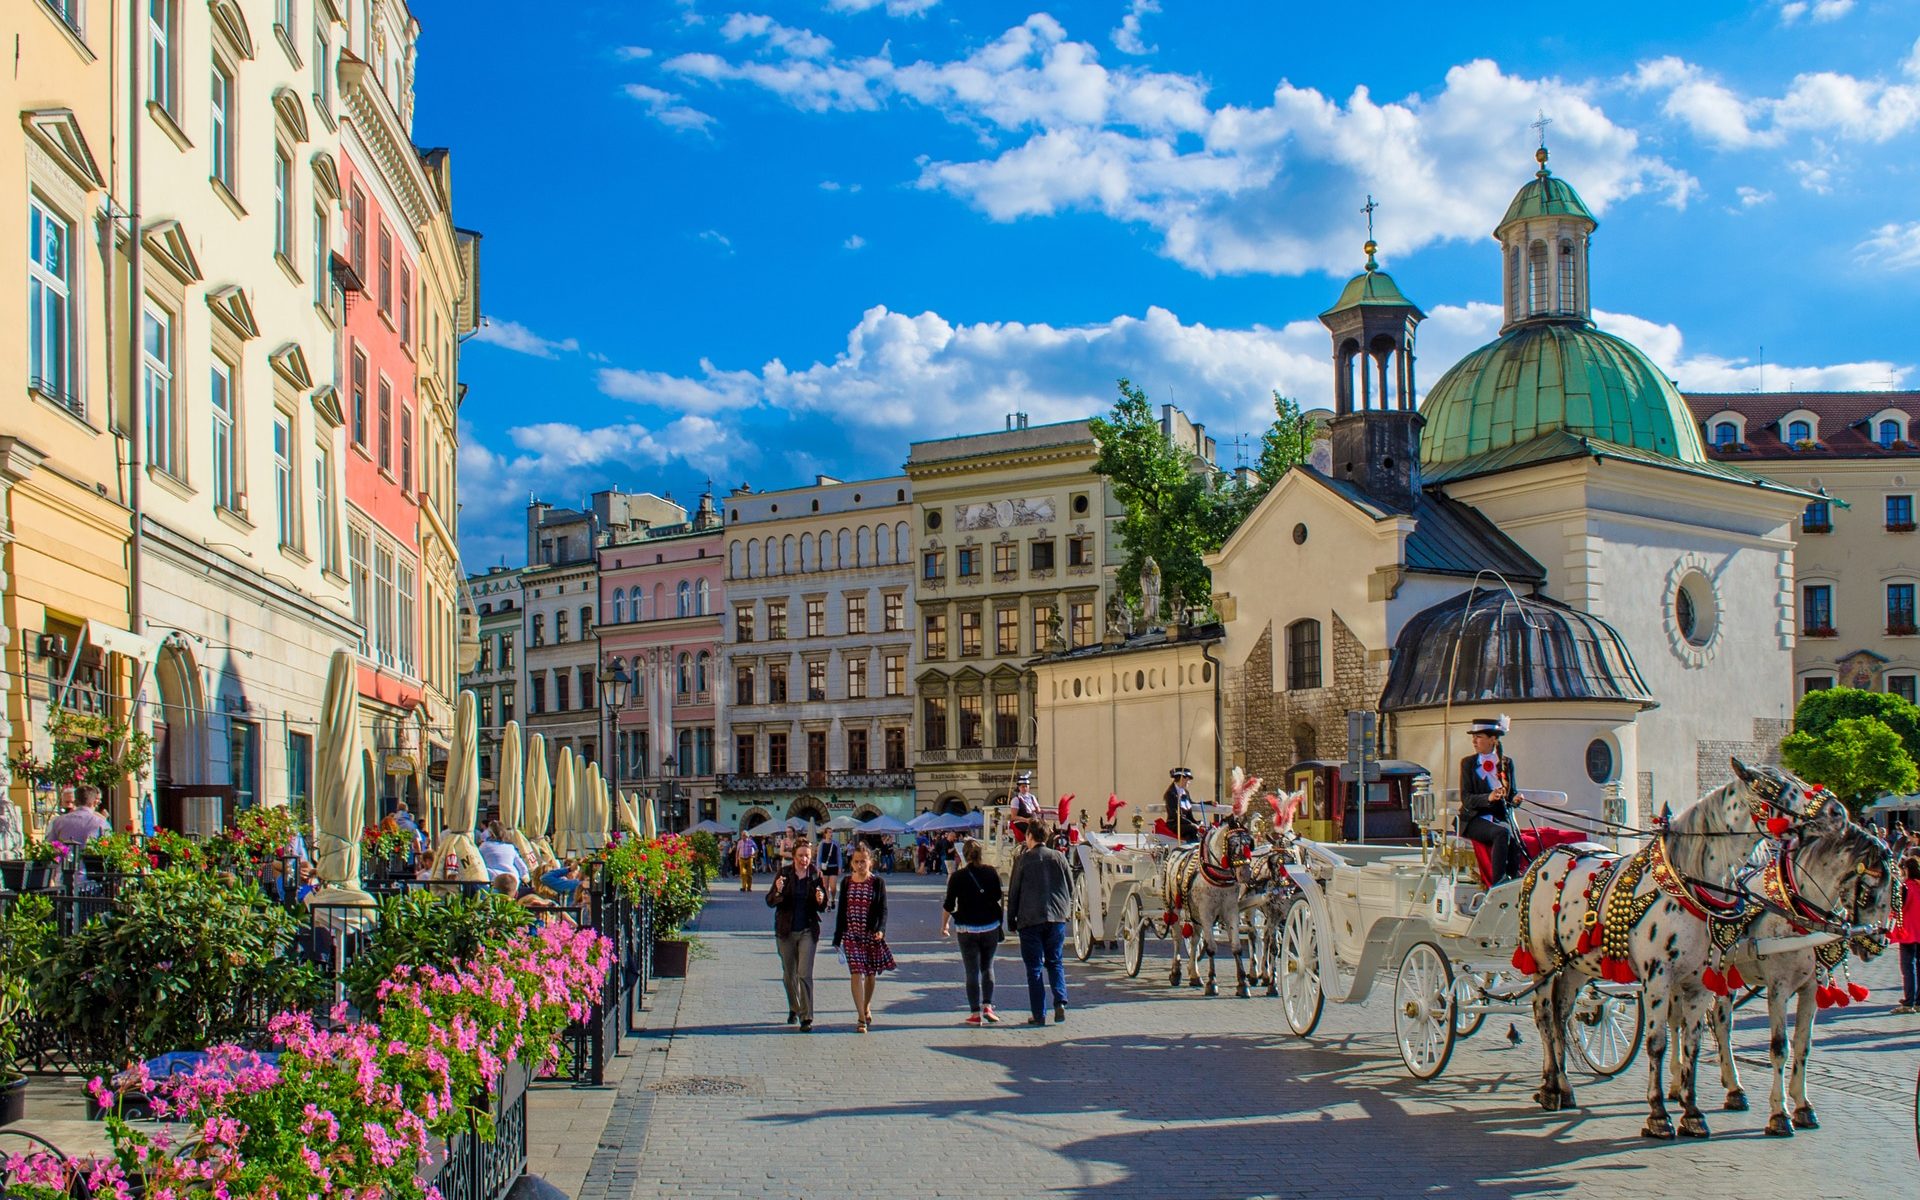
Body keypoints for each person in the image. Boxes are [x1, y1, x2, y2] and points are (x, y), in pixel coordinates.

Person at [1006, 820, 1072, 1025]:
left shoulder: (1023, 860)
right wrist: (1064, 910)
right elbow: (1070, 885)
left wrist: (1011, 920)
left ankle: (1039, 1014)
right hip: (1056, 917)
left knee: (1034, 968)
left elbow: (1014, 891)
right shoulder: (1059, 857)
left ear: (1030, 837)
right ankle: (1060, 1002)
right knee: (1055, 962)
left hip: (1030, 918)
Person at [767, 837, 829, 1031]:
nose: (804, 860)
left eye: (808, 856)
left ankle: (806, 1016)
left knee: (804, 973)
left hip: (807, 931)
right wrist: (778, 892)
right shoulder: (784, 874)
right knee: (789, 974)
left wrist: (820, 899)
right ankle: (794, 1007)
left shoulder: (814, 875)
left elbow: (823, 903)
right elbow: (770, 900)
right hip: (786, 931)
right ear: (794, 856)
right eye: (801, 856)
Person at [833, 844, 894, 1033]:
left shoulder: (877, 883)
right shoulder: (846, 882)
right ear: (851, 863)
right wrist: (838, 936)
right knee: (856, 973)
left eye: (863, 861)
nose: (860, 865)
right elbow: (842, 909)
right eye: (856, 861)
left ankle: (866, 1005)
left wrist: (881, 930)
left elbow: (883, 909)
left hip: (870, 934)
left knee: (870, 975)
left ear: (870, 862)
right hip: (851, 934)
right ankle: (861, 1017)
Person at [1458, 714, 1525, 885]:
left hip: (1498, 817)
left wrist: (1516, 799)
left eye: (1478, 737)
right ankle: (1498, 883)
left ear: (1493, 739)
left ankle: (1514, 879)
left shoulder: (1506, 763)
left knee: (1516, 838)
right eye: (1474, 737)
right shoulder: (1468, 763)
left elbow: (1511, 794)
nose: (1474, 741)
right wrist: (1488, 797)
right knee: (1502, 833)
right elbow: (1466, 798)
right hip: (1474, 819)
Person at [942, 838, 1004, 1024]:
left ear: (964, 856)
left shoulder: (957, 877)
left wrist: (944, 925)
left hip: (966, 928)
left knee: (971, 971)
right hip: (989, 926)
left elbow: (949, 904)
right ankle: (988, 1006)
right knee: (987, 967)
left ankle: (975, 1014)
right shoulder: (991, 872)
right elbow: (998, 896)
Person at [1892, 857, 1920, 1013]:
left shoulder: (1905, 887)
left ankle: (1908, 1002)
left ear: (1906, 870)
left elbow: (1898, 909)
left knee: (1907, 967)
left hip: (1909, 932)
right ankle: (1918, 1001)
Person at [44, 786, 110, 849]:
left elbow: (49, 846)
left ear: (75, 801)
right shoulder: (101, 823)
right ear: (94, 802)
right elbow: (109, 850)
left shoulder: (58, 821)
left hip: (64, 859)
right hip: (89, 860)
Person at [478, 820, 530, 887]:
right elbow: (522, 867)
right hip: (512, 881)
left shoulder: (484, 847)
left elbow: (479, 865)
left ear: (490, 833)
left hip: (492, 882)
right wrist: (525, 876)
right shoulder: (511, 847)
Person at [1164, 768, 1200, 842]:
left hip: (1185, 823)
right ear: (1181, 778)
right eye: (1188, 779)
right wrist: (1191, 823)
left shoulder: (1185, 792)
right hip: (1174, 823)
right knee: (1193, 828)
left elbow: (1192, 803)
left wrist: (1209, 803)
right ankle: (1193, 848)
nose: (1189, 782)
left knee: (1202, 827)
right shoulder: (1170, 794)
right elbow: (1174, 814)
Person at [1009, 772, 1042, 843]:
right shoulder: (1016, 799)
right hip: (1021, 822)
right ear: (1019, 787)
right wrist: (1026, 820)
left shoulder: (1032, 797)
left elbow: (1038, 811)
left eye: (1026, 786)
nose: (1025, 788)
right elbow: (1013, 817)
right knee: (1034, 828)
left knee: (1044, 827)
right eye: (1023, 786)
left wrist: (1052, 812)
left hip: (1033, 821)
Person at [818, 835, 842, 909]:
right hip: (824, 867)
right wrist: (818, 868)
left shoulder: (835, 843)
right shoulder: (821, 844)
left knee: (833, 887)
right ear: (825, 834)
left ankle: (833, 899)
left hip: (834, 866)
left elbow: (839, 856)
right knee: (825, 886)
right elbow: (819, 856)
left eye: (831, 832)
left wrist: (840, 867)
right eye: (829, 832)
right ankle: (828, 902)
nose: (831, 834)